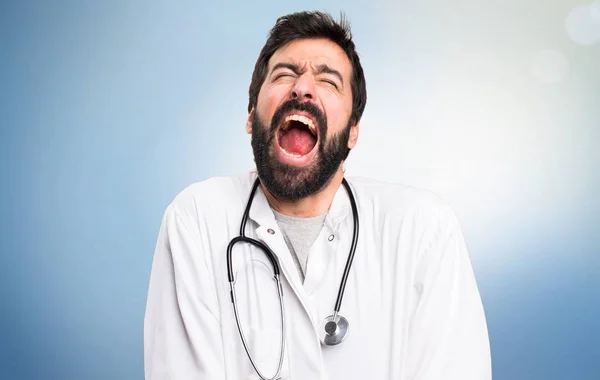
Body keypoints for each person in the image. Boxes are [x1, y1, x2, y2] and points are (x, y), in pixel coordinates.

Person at [144, 10, 492, 380]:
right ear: (250, 116)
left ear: (352, 131)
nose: (302, 87)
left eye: (328, 81)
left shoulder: (422, 230)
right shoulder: (197, 220)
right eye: (284, 74)